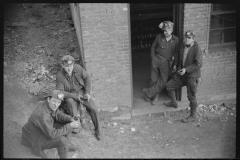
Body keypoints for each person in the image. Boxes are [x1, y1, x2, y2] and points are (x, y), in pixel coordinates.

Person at [21, 90, 80, 158]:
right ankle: (63, 145)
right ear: (48, 99)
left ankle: (64, 147)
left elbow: (58, 114)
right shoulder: (43, 115)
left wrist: (70, 119)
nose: (56, 104)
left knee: (68, 124)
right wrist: (69, 126)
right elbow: (52, 134)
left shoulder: (48, 105)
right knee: (62, 140)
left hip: (41, 132)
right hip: (36, 140)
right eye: (54, 101)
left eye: (58, 102)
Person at [56, 55, 101, 140]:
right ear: (62, 65)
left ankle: (98, 131)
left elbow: (87, 78)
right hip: (69, 95)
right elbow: (60, 92)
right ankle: (76, 126)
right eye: (66, 66)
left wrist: (87, 93)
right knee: (70, 103)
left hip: (81, 92)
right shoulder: (59, 75)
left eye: (71, 66)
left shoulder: (78, 68)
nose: (69, 69)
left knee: (93, 108)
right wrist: (74, 96)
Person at [164, 30, 203, 123]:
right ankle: (173, 102)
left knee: (191, 96)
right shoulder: (182, 45)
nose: (186, 39)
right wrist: (176, 66)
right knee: (169, 86)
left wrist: (186, 69)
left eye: (189, 38)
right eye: (185, 37)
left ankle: (193, 116)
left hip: (192, 76)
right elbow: (179, 56)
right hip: (182, 74)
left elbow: (198, 64)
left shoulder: (197, 49)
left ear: (193, 39)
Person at [143, 21, 179, 105]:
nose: (164, 33)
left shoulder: (176, 40)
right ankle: (154, 96)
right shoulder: (159, 37)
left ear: (171, 31)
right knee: (153, 79)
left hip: (166, 62)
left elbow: (176, 52)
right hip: (156, 59)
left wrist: (175, 64)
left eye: (166, 31)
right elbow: (153, 47)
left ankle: (147, 93)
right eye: (164, 31)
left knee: (163, 82)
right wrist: (153, 58)